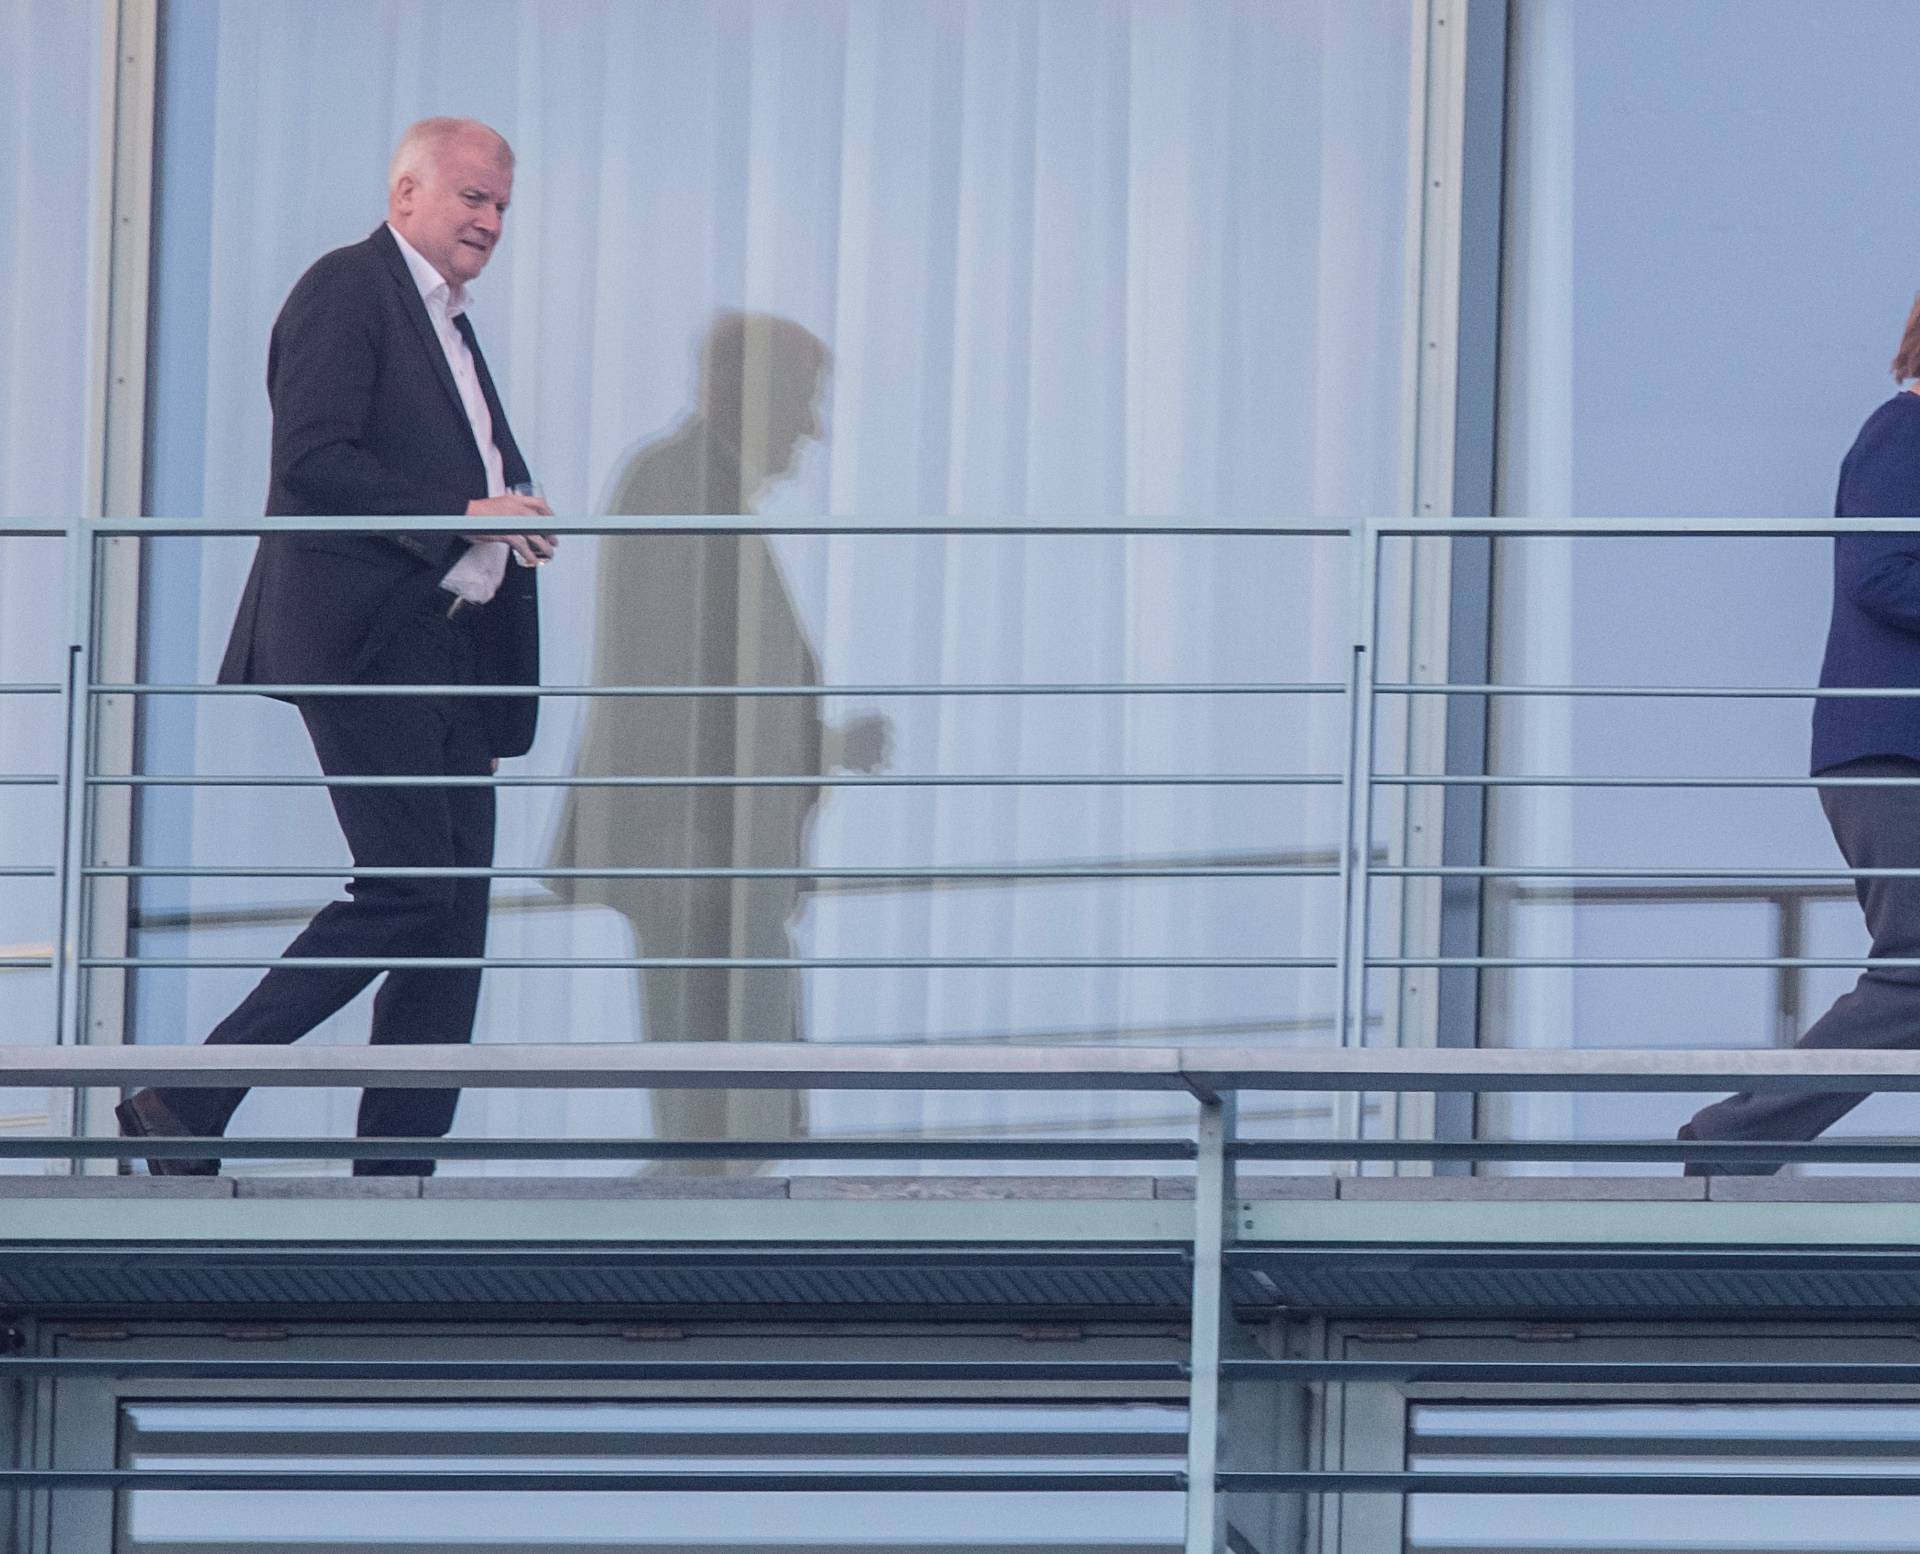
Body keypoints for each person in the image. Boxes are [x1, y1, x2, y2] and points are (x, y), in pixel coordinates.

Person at [116, 117, 556, 1176]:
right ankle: (186, 1097)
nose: (492, 222)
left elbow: (454, 477)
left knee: (451, 926)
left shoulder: (446, 321)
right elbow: (311, 462)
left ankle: (395, 1183)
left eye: (502, 205)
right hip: (371, 646)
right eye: (473, 199)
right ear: (407, 193)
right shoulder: (348, 288)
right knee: (408, 888)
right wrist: (471, 506)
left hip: (451, 657)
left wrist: (505, 520)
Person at [546, 312, 888, 1171]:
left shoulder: (695, 489)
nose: (813, 428)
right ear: (754, 395)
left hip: (716, 853)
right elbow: (657, 674)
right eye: (804, 400)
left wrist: (823, 741)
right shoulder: (676, 487)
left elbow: (720, 693)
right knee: (721, 1107)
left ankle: (699, 1255)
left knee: (744, 1104)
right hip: (700, 856)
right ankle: (683, 1277)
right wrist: (682, 829)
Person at [1681, 296, 1920, 1175]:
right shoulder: (1907, 429)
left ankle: (1737, 1140)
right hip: (1895, 754)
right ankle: (1736, 1141)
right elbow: (1880, 572)